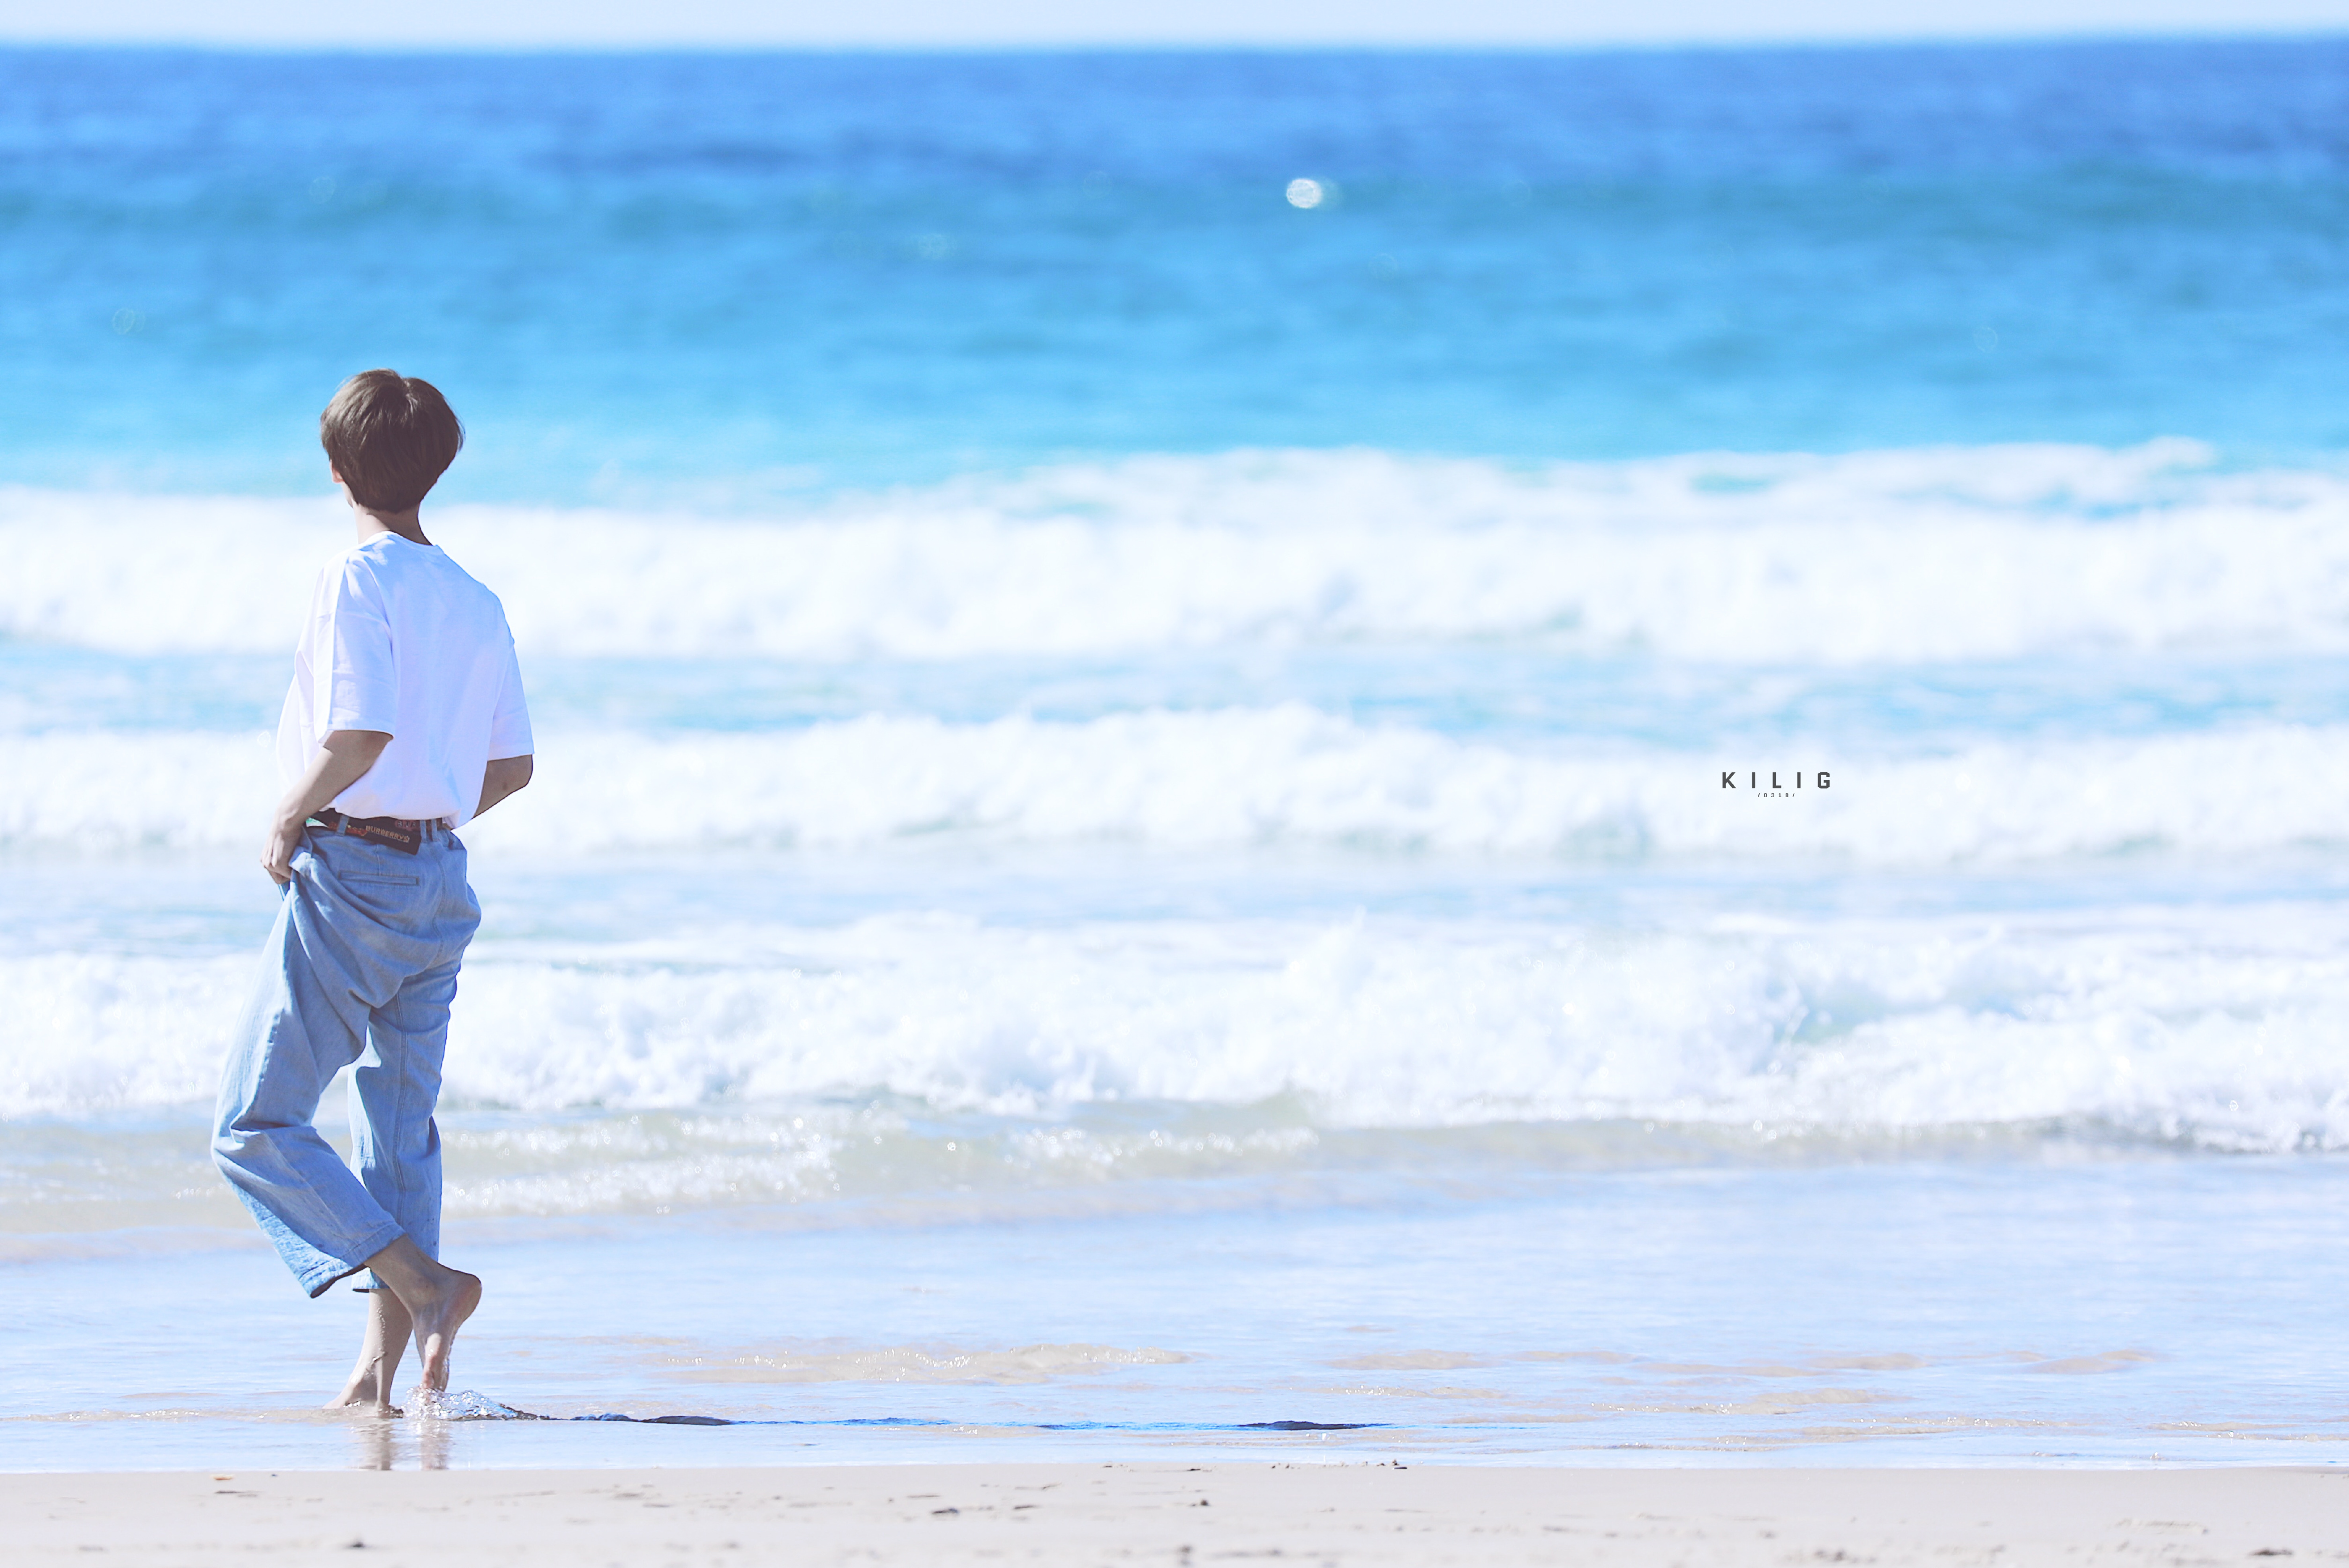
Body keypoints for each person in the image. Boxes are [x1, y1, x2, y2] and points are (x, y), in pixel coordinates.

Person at [212, 370, 534, 1414]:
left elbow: (357, 737)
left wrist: (287, 813)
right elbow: (512, 767)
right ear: (437, 468)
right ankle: (376, 1377)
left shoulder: (359, 578)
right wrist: (426, 818)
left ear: (337, 468)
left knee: (254, 1125)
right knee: (396, 1136)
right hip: (440, 879)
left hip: (353, 873)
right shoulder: (476, 598)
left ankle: (426, 1285)